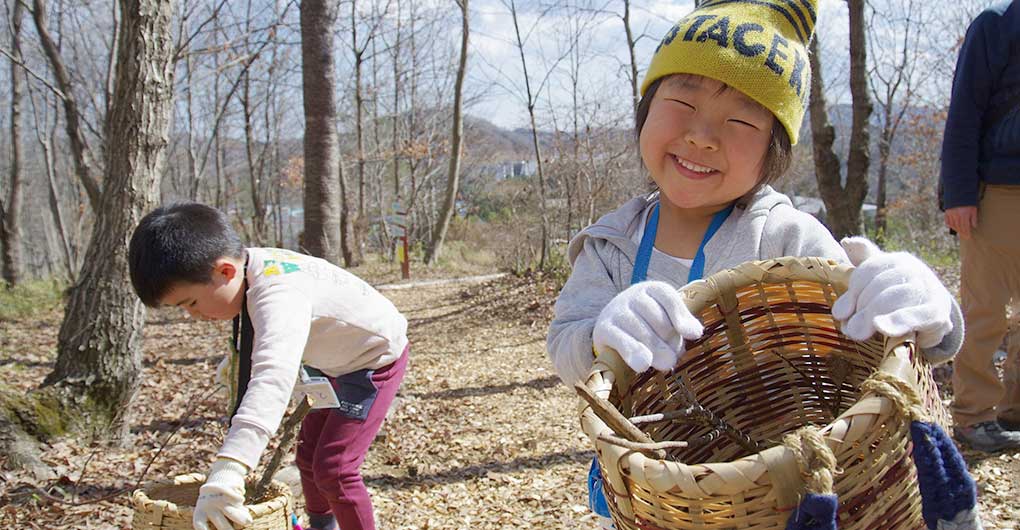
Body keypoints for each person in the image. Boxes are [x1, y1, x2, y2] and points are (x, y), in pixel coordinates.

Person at [546, 0, 965, 527]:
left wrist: (925, 306)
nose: (702, 135)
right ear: (646, 109)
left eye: (741, 118)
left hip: (787, 493)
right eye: (682, 99)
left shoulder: (787, 236)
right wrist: (602, 336)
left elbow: (882, 332)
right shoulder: (612, 242)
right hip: (652, 501)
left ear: (773, 150)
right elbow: (565, 344)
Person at [128, 203, 409, 530]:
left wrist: (230, 469)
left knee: (335, 469)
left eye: (190, 303)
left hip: (373, 361)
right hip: (332, 362)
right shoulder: (248, 265)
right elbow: (260, 328)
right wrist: (234, 362)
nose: (194, 314)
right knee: (307, 460)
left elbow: (272, 378)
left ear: (224, 271)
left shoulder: (278, 293)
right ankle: (323, 526)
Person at [940, 0, 1020, 453]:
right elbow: (965, 110)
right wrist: (959, 195)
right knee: (986, 310)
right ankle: (974, 416)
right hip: (998, 191)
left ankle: (1014, 410)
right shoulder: (995, 27)